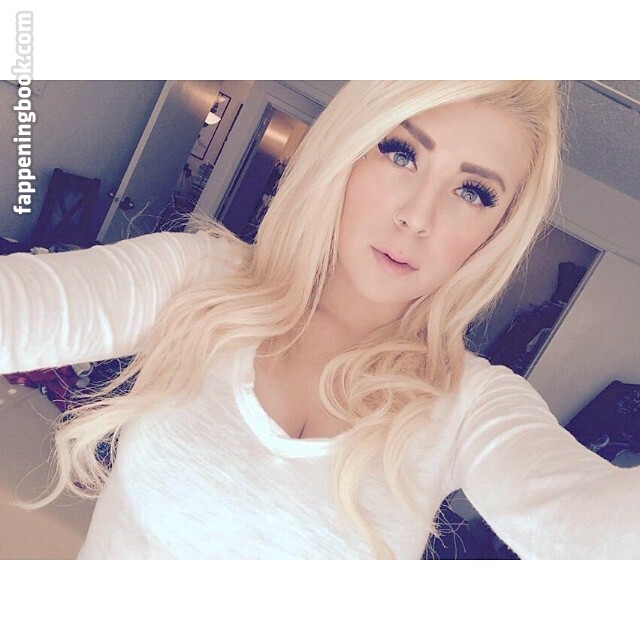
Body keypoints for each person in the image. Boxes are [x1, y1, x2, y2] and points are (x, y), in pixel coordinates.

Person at [1, 80, 638, 559]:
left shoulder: (470, 406)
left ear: (496, 232)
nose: (417, 216)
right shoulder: (194, 279)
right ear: (349, 150)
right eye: (401, 153)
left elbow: (595, 529)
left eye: (473, 193)